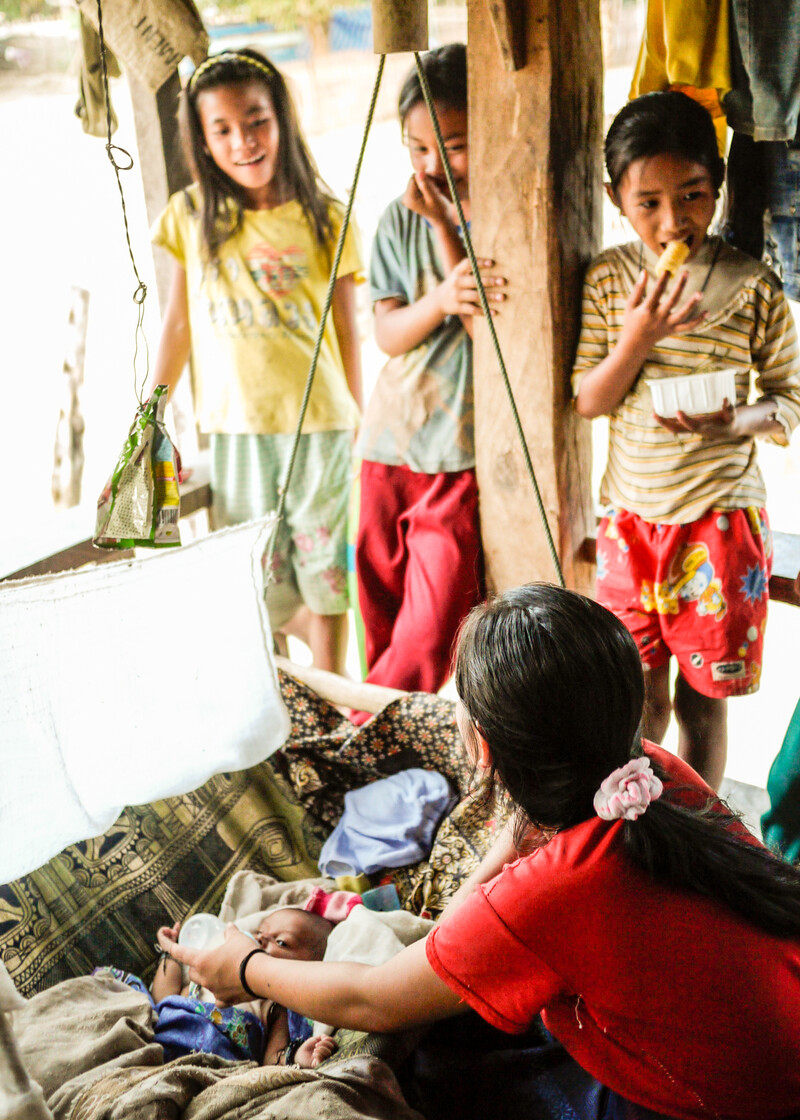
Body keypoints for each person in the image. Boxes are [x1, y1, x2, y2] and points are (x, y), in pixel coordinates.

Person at [161, 583, 800, 1119]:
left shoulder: (555, 889)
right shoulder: (650, 776)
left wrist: (246, 968)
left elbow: (374, 999)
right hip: (771, 1056)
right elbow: (502, 877)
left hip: (711, 1104)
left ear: (482, 748)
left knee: (435, 1063)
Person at [572, 90, 800, 788]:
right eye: (649, 203)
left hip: (719, 531)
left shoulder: (752, 286)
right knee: (637, 703)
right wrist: (639, 335)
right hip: (631, 526)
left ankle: (698, 838)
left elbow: (789, 404)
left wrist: (731, 422)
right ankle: (641, 828)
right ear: (616, 198)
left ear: (720, 183)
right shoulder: (612, 281)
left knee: (705, 707)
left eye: (694, 195)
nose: (674, 221)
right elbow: (588, 400)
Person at [149, 49, 363, 674]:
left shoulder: (326, 218)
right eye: (223, 129)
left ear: (282, 121)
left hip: (320, 424)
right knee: (254, 578)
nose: (243, 141)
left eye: (256, 120)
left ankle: (333, 705)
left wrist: (357, 417)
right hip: (235, 427)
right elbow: (177, 324)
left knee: (327, 575)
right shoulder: (191, 217)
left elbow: (348, 329)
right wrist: (149, 418)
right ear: (203, 140)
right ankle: (302, 689)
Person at [351, 43, 505, 718]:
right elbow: (387, 333)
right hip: (387, 442)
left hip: (457, 453)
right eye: (417, 147)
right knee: (380, 611)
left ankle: (360, 729)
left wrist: (446, 229)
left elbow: (486, 333)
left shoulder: (508, 217)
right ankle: (380, 747)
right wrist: (439, 297)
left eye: (455, 145)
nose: (432, 165)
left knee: (429, 632)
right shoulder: (393, 219)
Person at [99, 907, 337, 1067]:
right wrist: (170, 952)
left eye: (282, 942)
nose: (262, 939)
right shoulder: (209, 968)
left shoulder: (277, 1001)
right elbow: (162, 999)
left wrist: (298, 1055)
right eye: (260, 932)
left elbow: (272, 1060)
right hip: (158, 1038)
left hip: (209, 1062)